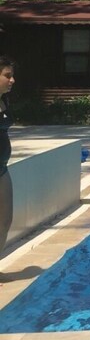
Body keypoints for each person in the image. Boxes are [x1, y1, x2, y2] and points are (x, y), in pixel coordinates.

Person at [0, 56, 15, 261]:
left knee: (5, 220)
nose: (12, 80)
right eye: (7, 75)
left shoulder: (4, 100)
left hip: (2, 168)